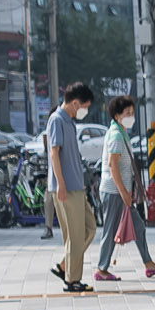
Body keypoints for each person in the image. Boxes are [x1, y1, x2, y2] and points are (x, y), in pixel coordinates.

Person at [93, 96, 155, 282]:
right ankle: (101, 269)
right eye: (127, 113)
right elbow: (113, 165)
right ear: (117, 115)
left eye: (132, 113)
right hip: (114, 192)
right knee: (110, 230)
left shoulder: (121, 132)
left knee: (139, 227)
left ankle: (149, 264)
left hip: (121, 192)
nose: (131, 116)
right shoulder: (116, 135)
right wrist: (124, 193)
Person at [46, 83, 95, 292]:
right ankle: (72, 280)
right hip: (65, 188)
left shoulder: (69, 122)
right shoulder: (57, 120)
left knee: (89, 229)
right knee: (74, 235)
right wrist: (61, 185)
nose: (84, 111)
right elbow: (54, 154)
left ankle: (66, 266)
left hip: (76, 186)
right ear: (75, 103)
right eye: (84, 106)